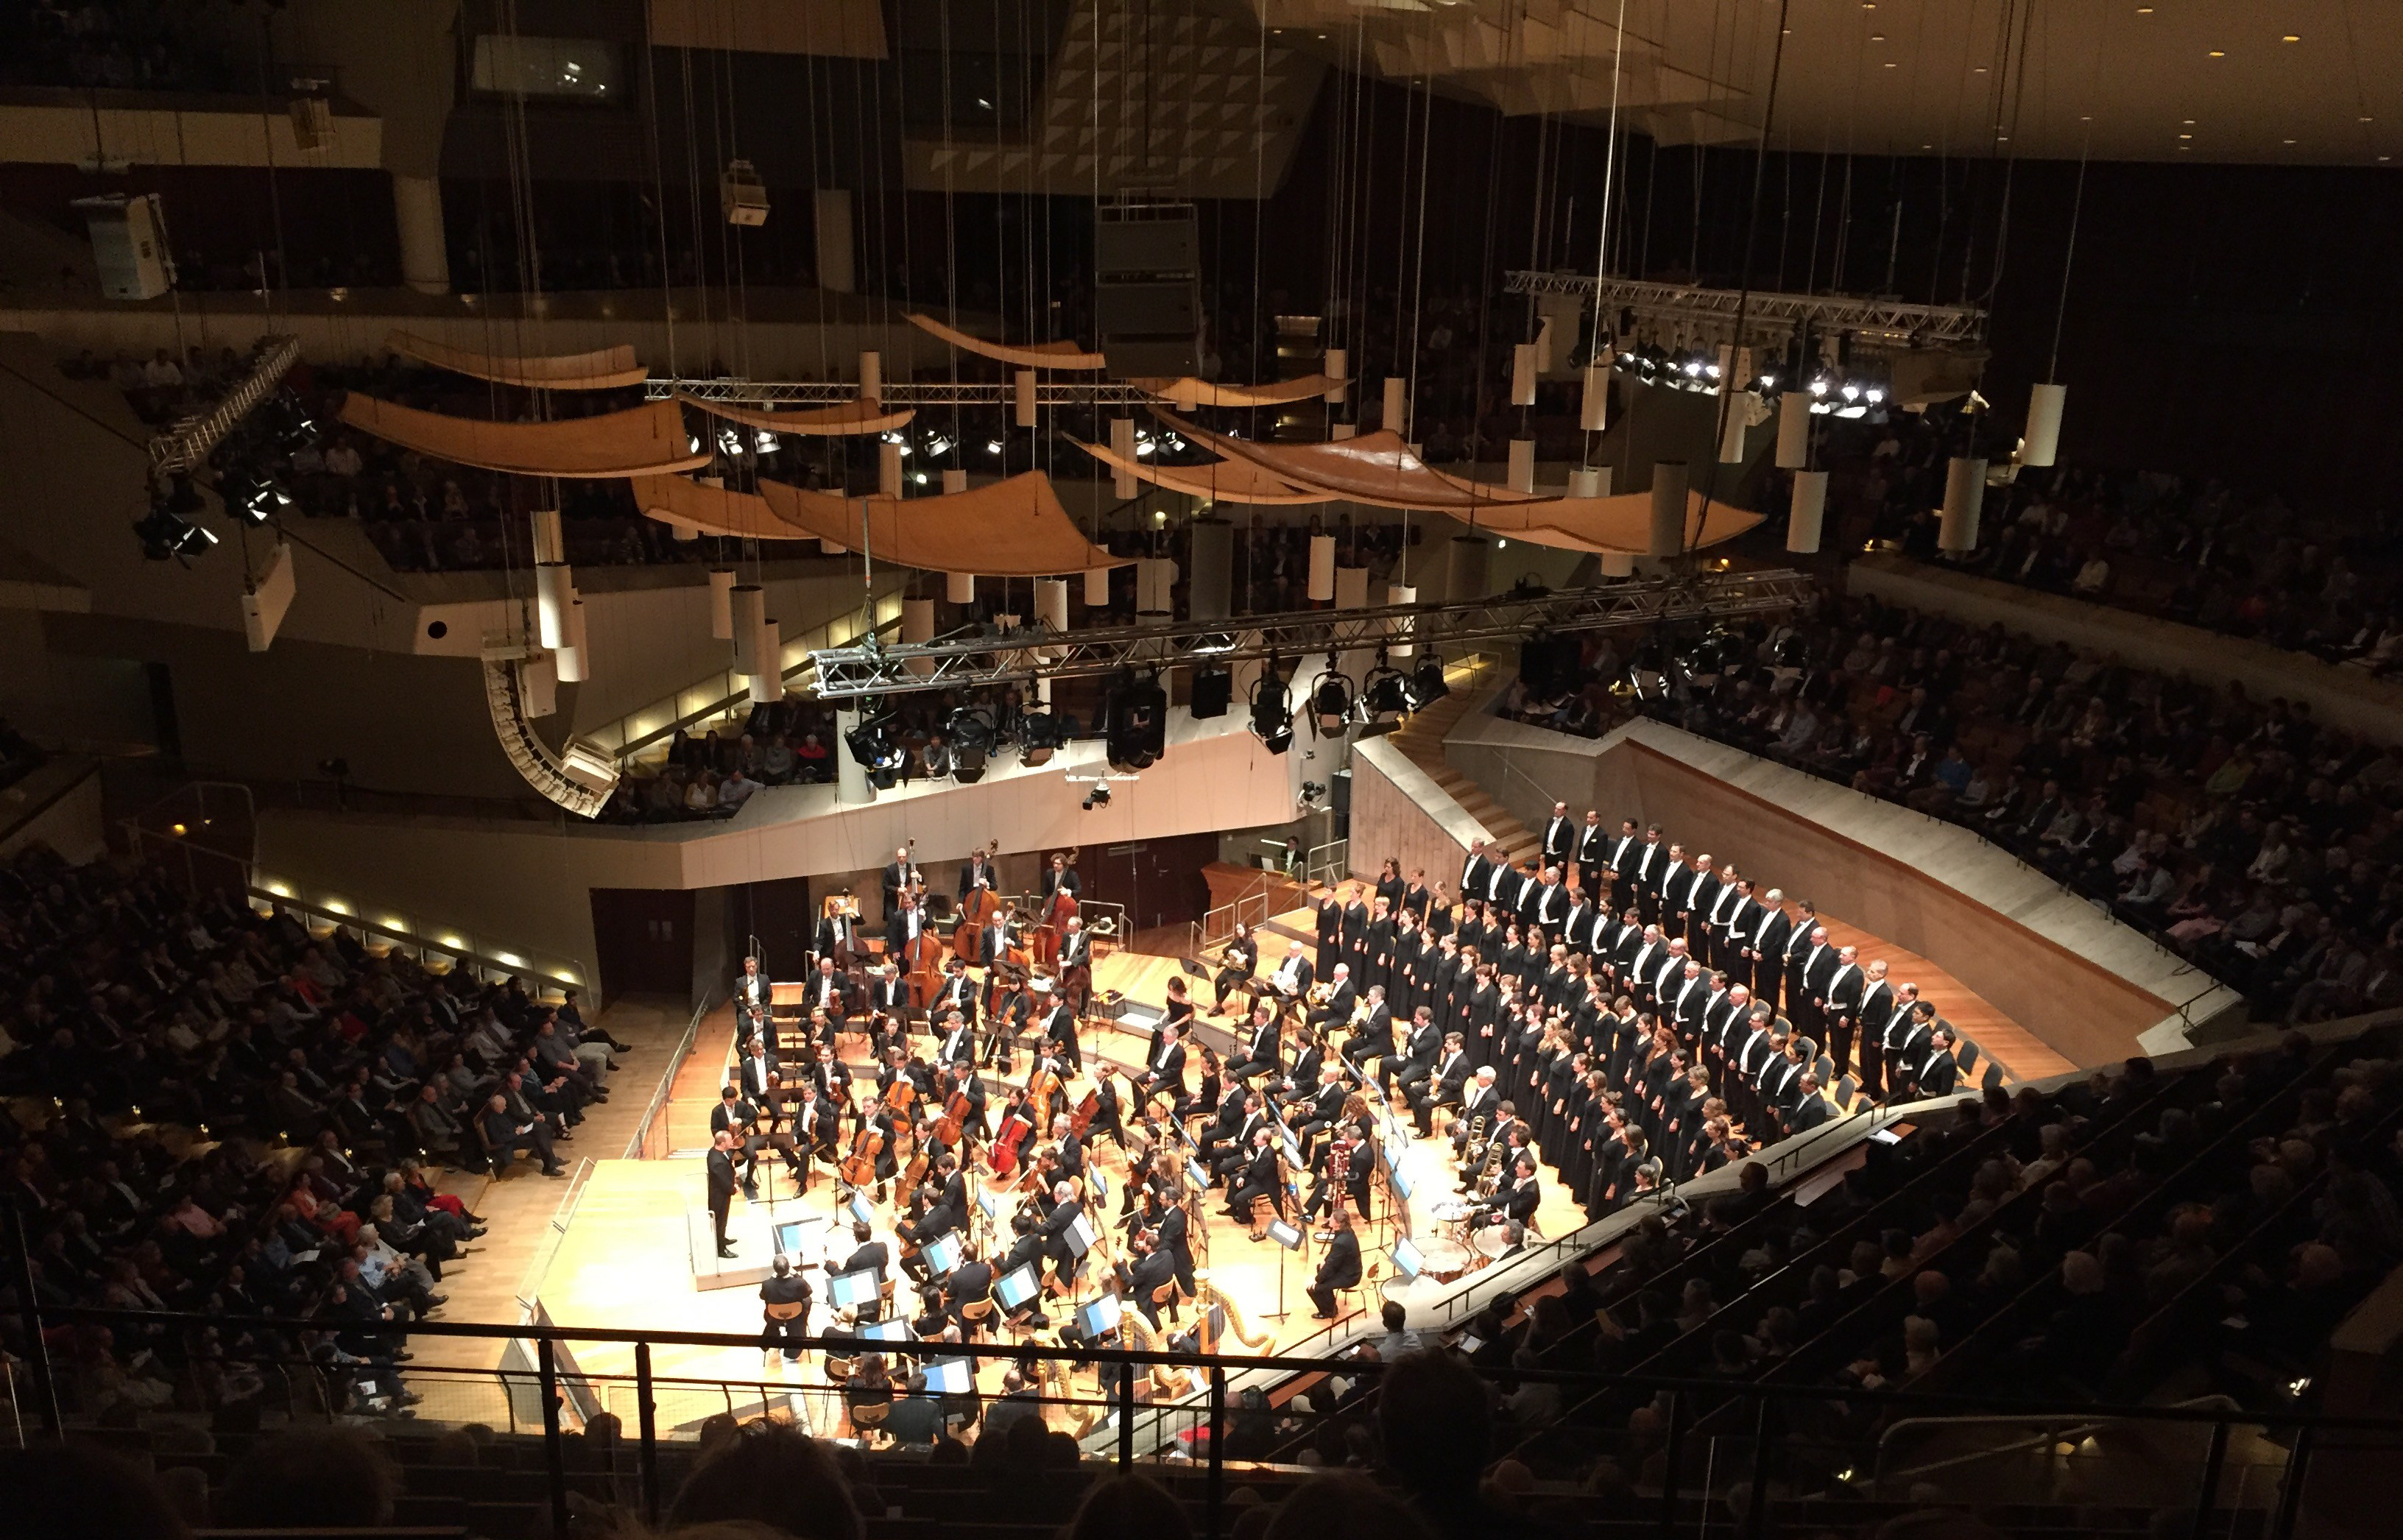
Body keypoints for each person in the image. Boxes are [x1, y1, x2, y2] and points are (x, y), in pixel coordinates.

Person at [481, 1092, 565, 1177]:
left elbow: (511, 1123)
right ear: (496, 1107)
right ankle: (549, 1166)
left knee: (541, 1128)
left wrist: (518, 1128)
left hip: (517, 1133)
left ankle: (551, 1162)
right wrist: (516, 1133)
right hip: (511, 1142)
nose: (505, 1107)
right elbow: (498, 1139)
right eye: (503, 1106)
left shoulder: (502, 1113)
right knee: (539, 1138)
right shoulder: (491, 1120)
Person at [1306, 1207, 1363, 1319]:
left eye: (1331, 1218)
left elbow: (1332, 1265)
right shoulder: (1346, 1231)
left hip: (1350, 1276)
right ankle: (1331, 1307)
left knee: (1313, 1289)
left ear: (1337, 1223)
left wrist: (1316, 1280)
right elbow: (1334, 1256)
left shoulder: (1341, 1242)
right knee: (1320, 1268)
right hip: (1349, 1268)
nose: (1329, 1220)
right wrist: (1325, 1261)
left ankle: (1327, 1312)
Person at [762, 1254, 813, 1360]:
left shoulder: (767, 1284)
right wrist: (796, 1274)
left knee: (768, 1303)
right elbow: (808, 1292)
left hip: (775, 1315)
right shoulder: (799, 1283)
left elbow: (762, 1296)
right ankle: (802, 1321)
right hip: (795, 1314)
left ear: (775, 1269)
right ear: (789, 1267)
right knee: (808, 1300)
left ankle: (775, 1332)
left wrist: (772, 1277)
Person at [707, 1129, 741, 1257]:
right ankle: (721, 1249)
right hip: (719, 1196)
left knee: (723, 1220)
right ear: (722, 1143)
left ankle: (722, 1239)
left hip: (721, 1193)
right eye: (729, 1140)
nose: (732, 1142)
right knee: (720, 1221)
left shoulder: (715, 1152)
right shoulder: (717, 1162)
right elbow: (723, 1181)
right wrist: (734, 1189)